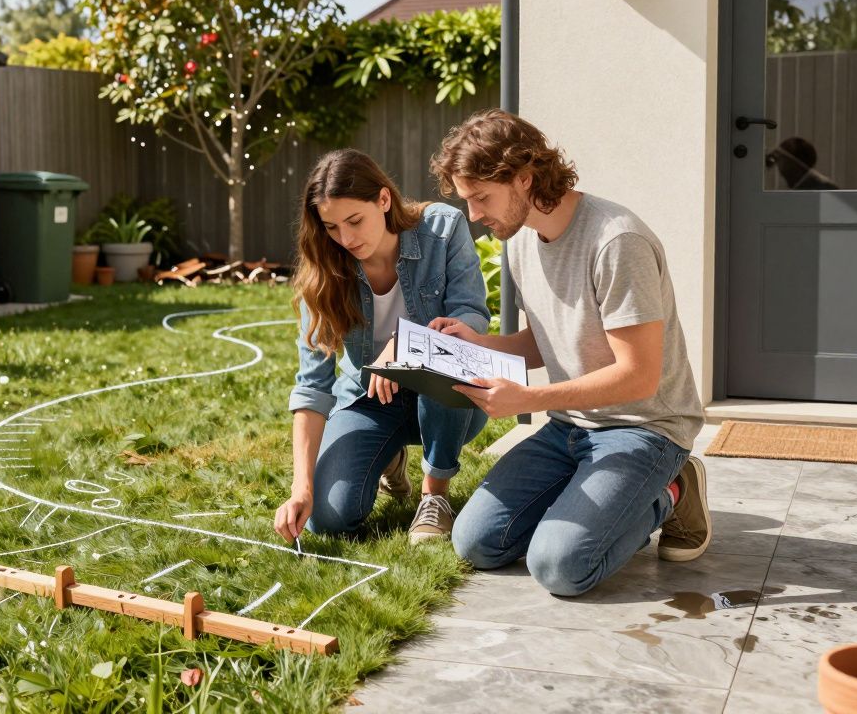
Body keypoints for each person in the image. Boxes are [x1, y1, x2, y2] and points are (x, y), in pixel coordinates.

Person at [427, 109, 710, 597]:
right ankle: (588, 500)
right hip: (569, 427)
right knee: (476, 543)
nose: (473, 215)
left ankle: (673, 489)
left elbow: (638, 378)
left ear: (525, 178)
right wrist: (479, 344)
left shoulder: (617, 241)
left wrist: (527, 400)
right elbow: (551, 337)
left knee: (561, 566)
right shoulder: (520, 241)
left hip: (643, 429)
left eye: (481, 198)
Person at [275, 149, 490, 545]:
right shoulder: (322, 272)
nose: (346, 239)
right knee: (330, 517)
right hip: (369, 399)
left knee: (440, 357)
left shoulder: (443, 229)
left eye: (355, 220)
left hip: (450, 396)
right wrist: (300, 488)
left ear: (384, 200)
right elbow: (313, 385)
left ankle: (434, 495)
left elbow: (472, 316)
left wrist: (405, 353)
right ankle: (388, 455)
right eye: (332, 227)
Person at [767, 137, 839, 190]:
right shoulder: (798, 186)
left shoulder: (824, 188)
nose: (777, 163)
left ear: (794, 163)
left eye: (781, 157)